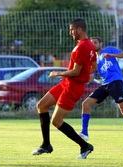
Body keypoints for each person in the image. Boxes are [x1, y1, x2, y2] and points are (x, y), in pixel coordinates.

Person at [32, 18, 97, 159]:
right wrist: (84, 76)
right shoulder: (89, 45)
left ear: (79, 30)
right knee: (41, 106)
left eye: (71, 30)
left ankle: (85, 146)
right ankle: (46, 145)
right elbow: (93, 67)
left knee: (56, 121)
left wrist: (57, 73)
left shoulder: (82, 47)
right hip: (66, 84)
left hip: (72, 88)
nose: (70, 33)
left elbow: (75, 71)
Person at [79, 37, 123, 141]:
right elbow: (92, 76)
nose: (93, 45)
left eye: (95, 43)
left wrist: (112, 55)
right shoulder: (94, 60)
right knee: (85, 104)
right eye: (92, 44)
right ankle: (84, 133)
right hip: (104, 85)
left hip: (115, 81)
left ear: (101, 44)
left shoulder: (109, 49)